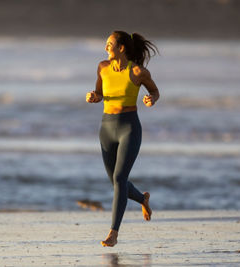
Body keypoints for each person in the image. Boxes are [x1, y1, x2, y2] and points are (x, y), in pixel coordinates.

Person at [86, 31, 159, 247]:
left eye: (109, 44)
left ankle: (113, 233)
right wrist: (94, 96)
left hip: (129, 128)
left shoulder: (138, 71)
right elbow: (99, 92)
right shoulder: (103, 67)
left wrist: (151, 99)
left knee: (119, 179)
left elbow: (155, 91)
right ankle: (142, 199)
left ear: (121, 48)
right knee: (116, 182)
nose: (106, 48)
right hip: (106, 128)